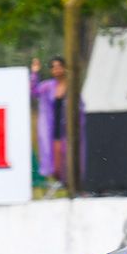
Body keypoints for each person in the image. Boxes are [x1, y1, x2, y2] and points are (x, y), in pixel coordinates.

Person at [30, 56, 79, 191]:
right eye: (54, 67)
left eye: (59, 66)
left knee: (68, 156)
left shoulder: (71, 85)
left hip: (68, 127)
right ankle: (61, 183)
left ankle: (71, 184)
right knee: (55, 160)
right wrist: (35, 73)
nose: (57, 70)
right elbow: (34, 91)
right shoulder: (48, 86)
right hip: (54, 126)